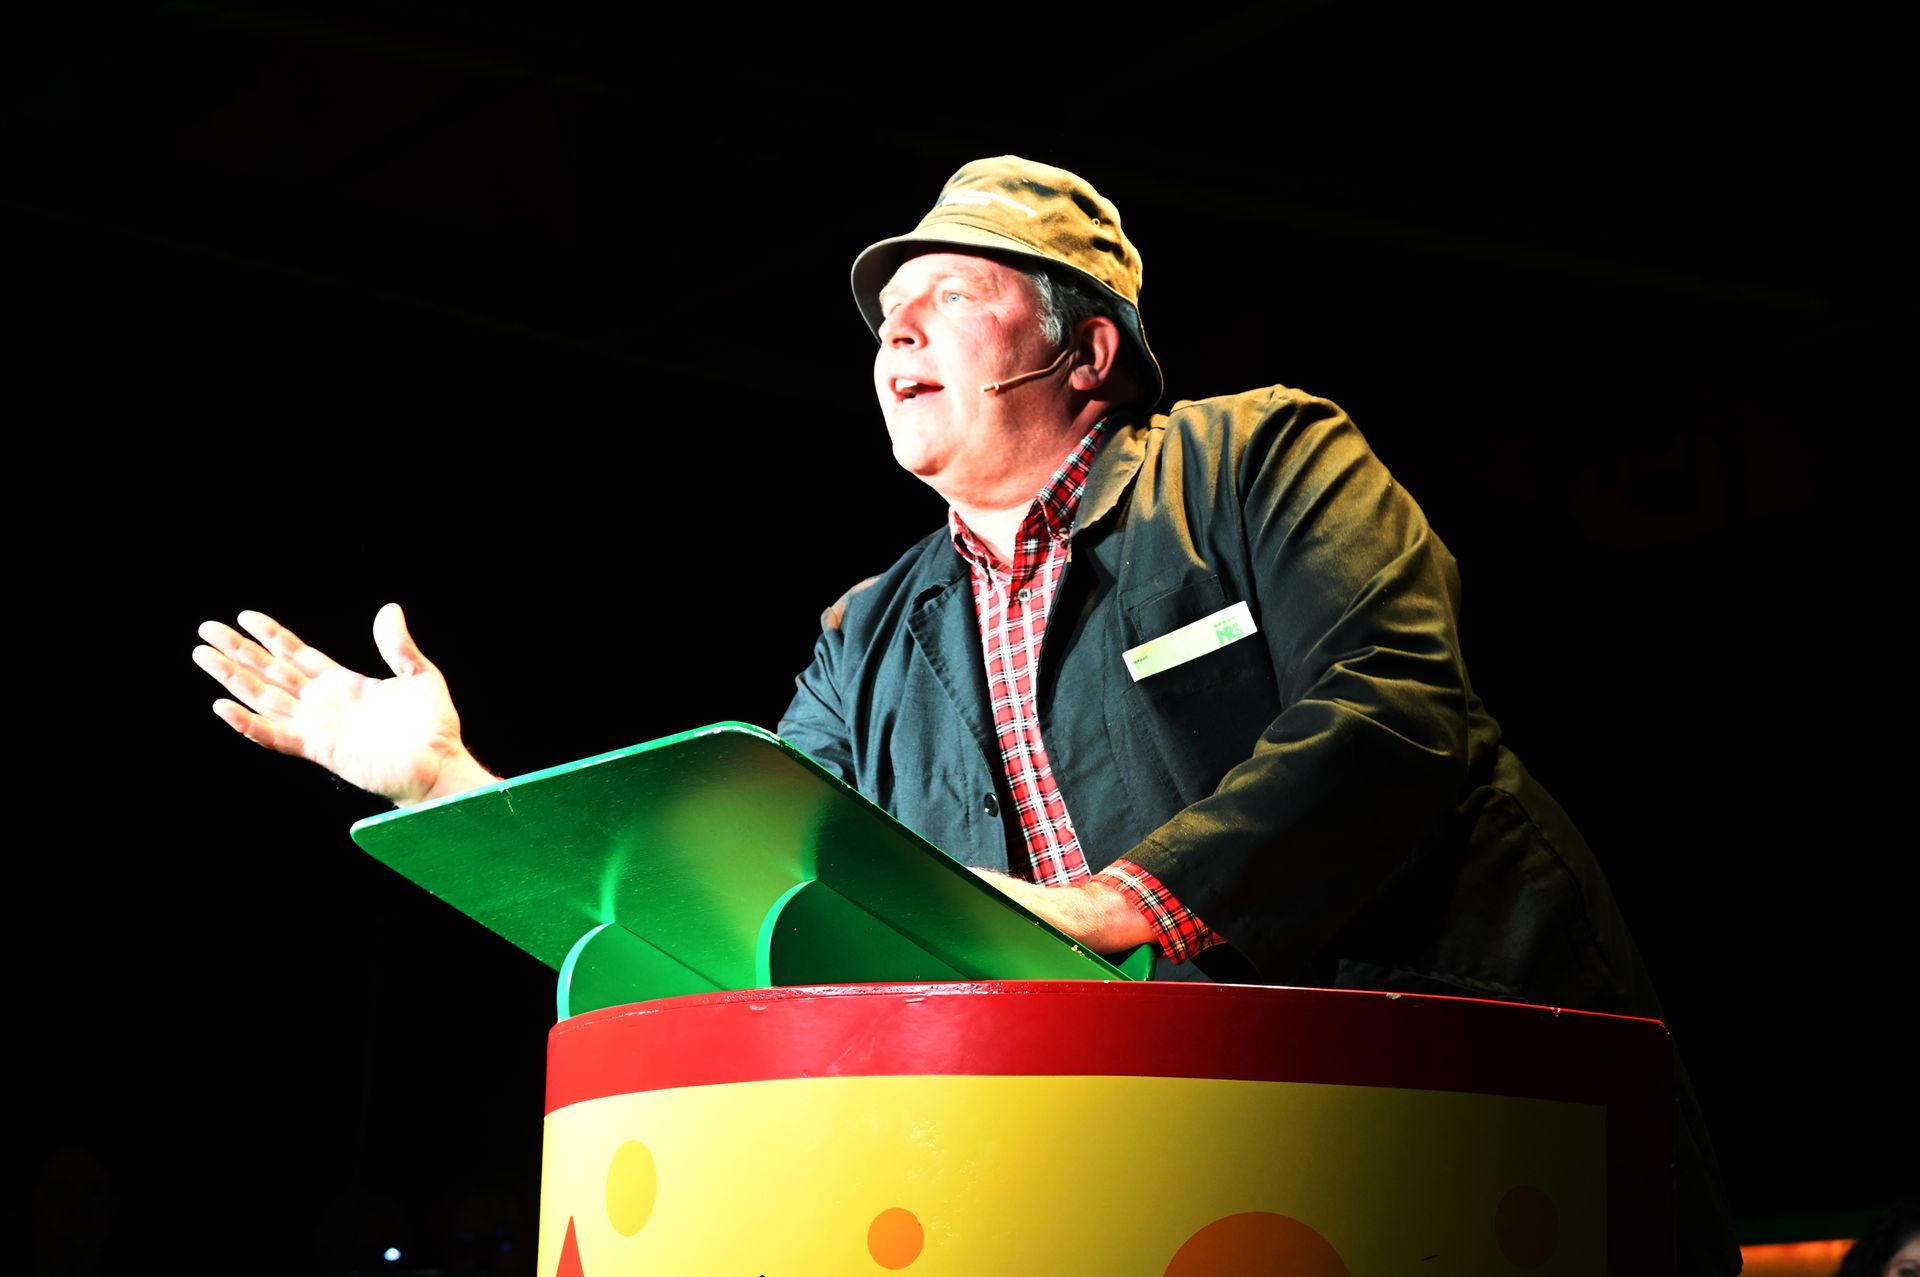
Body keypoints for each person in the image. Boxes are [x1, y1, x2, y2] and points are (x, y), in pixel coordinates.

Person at [193, 155, 1738, 1272]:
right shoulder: (866, 635)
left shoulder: (1258, 463)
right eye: (885, 319)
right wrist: (449, 781)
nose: (896, 335)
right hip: (1100, 1191)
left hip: (1431, 1143)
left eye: (948, 298)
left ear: (1087, 345)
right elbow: (732, 887)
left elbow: (1394, 710)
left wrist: (1118, 902)